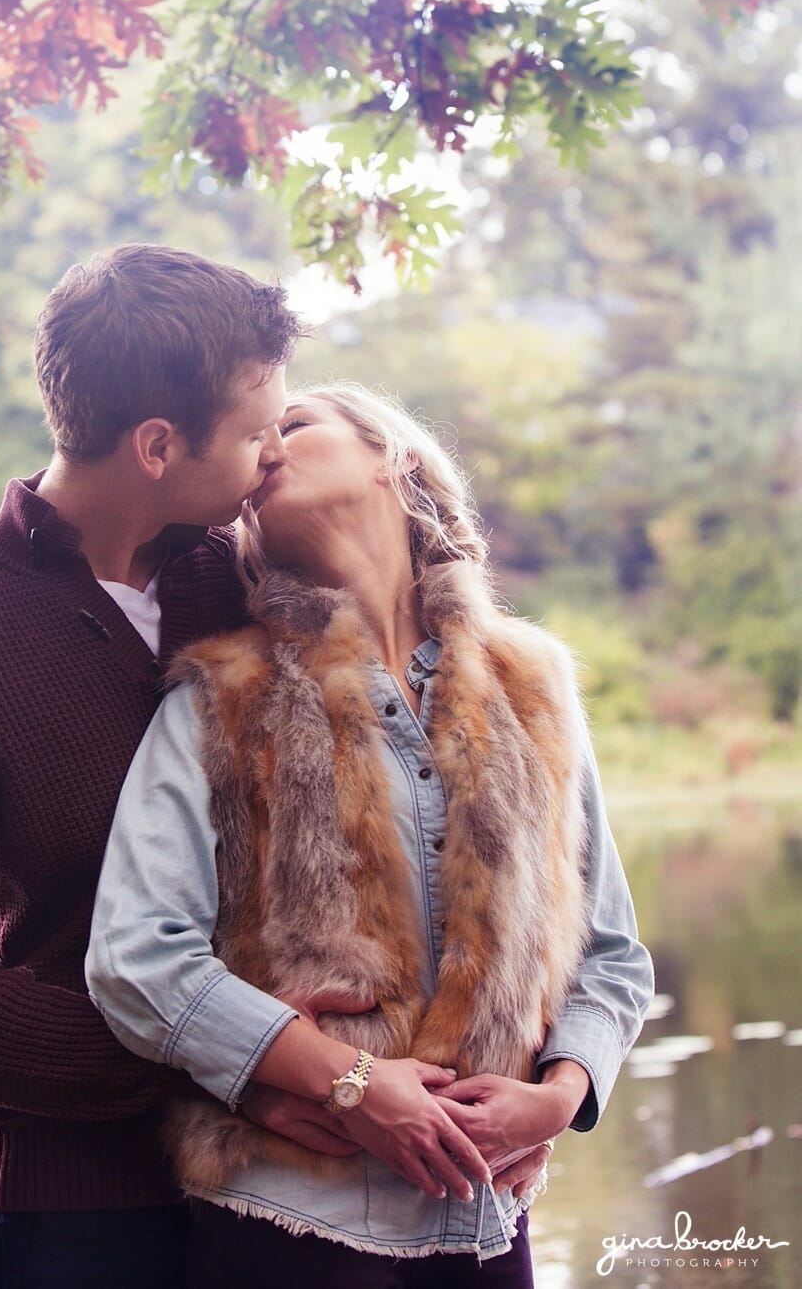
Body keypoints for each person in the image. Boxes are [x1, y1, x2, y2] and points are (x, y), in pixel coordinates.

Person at [86, 382, 655, 1288]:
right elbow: (134, 954)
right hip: (286, 1224)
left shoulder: (534, 688)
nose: (268, 444)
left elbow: (614, 953)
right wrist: (342, 1079)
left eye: (297, 424)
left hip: (487, 1222)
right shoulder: (218, 699)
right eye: (259, 435)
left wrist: (558, 1096)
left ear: (395, 456)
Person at [0, 243, 348, 1289]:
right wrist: (235, 1058)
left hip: (290, 1184)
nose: (274, 453)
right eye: (257, 429)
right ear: (159, 443)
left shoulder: (233, 577)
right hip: (77, 1211)